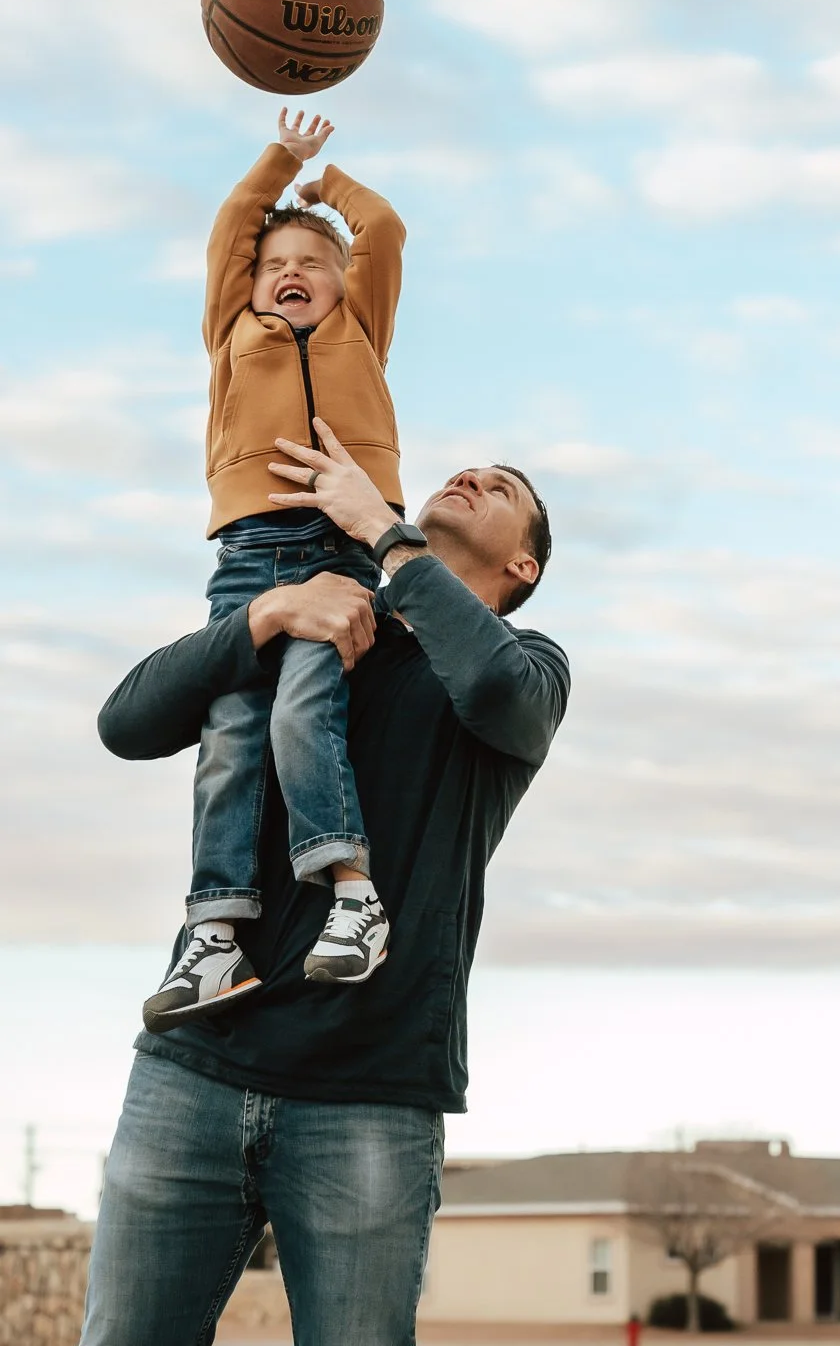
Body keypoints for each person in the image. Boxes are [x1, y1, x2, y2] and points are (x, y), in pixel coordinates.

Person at [82, 428, 568, 1346]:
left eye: (498, 486)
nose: (468, 475)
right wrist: (266, 617)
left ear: (523, 563)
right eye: (464, 469)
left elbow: (499, 691)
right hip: (194, 1069)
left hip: (371, 1095)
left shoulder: (526, 665)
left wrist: (386, 536)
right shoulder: (321, 624)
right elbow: (126, 722)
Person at [144, 107, 409, 1032]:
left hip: (336, 552)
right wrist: (276, 165)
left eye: (314, 262)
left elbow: (383, 231)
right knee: (230, 737)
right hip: (246, 562)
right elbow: (229, 231)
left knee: (305, 709)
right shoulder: (231, 336)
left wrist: (322, 187)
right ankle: (214, 936)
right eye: (275, 264)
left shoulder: (362, 333)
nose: (292, 272)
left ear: (345, 286)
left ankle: (353, 896)